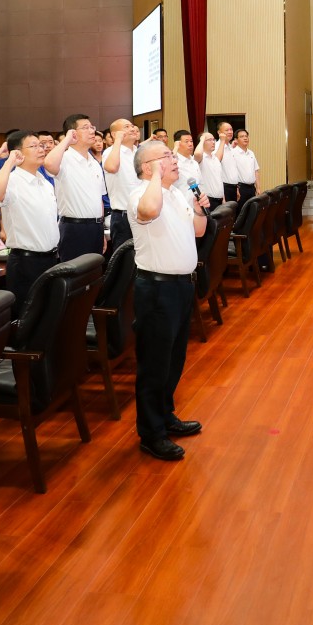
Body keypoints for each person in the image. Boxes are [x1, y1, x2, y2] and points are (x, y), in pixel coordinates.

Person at [128, 140, 210, 461]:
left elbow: (199, 231)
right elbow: (149, 211)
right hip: (156, 290)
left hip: (181, 287)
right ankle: (151, 433)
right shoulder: (141, 195)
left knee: (174, 359)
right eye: (165, 156)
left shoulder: (176, 193)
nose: (174, 159)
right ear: (147, 167)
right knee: (154, 364)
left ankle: (165, 415)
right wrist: (154, 177)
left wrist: (200, 208)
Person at [0, 130, 61, 319]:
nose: (41, 149)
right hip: (26, 262)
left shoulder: (44, 183)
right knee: (27, 318)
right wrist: (9, 162)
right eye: (34, 146)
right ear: (18, 152)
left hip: (51, 259)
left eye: (41, 145)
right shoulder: (12, 181)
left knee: (48, 316)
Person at [53, 114, 106, 259]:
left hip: (96, 227)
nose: (92, 131)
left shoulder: (94, 163)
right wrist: (66, 140)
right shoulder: (64, 158)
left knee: (95, 270)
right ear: (72, 133)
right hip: (74, 228)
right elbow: (49, 164)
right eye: (85, 127)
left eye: (92, 127)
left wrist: (100, 229)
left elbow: (99, 199)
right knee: (74, 271)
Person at [103, 118, 142, 252]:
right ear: (114, 134)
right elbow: (112, 167)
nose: (132, 129)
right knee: (125, 259)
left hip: (143, 214)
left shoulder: (139, 152)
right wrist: (118, 141)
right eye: (126, 127)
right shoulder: (111, 152)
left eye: (132, 126)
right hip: (123, 216)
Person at [196, 131, 225, 213]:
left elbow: (219, 180)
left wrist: (223, 198)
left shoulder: (215, 158)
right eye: (209, 140)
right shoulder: (200, 158)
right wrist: (202, 139)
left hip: (219, 200)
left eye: (213, 139)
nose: (213, 142)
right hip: (208, 201)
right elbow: (197, 153)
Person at [229, 128, 261, 204]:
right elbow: (231, 173)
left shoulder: (251, 153)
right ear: (236, 140)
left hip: (252, 188)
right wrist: (236, 189)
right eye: (242, 136)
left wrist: (258, 188)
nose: (245, 138)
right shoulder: (233, 153)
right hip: (240, 188)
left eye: (246, 136)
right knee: (241, 210)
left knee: (252, 209)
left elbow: (256, 171)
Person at [172, 130, 202, 199]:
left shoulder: (194, 163)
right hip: (181, 203)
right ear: (178, 144)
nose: (190, 144)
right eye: (186, 141)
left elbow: (201, 183)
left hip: (198, 203)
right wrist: (175, 148)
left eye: (191, 141)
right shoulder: (174, 162)